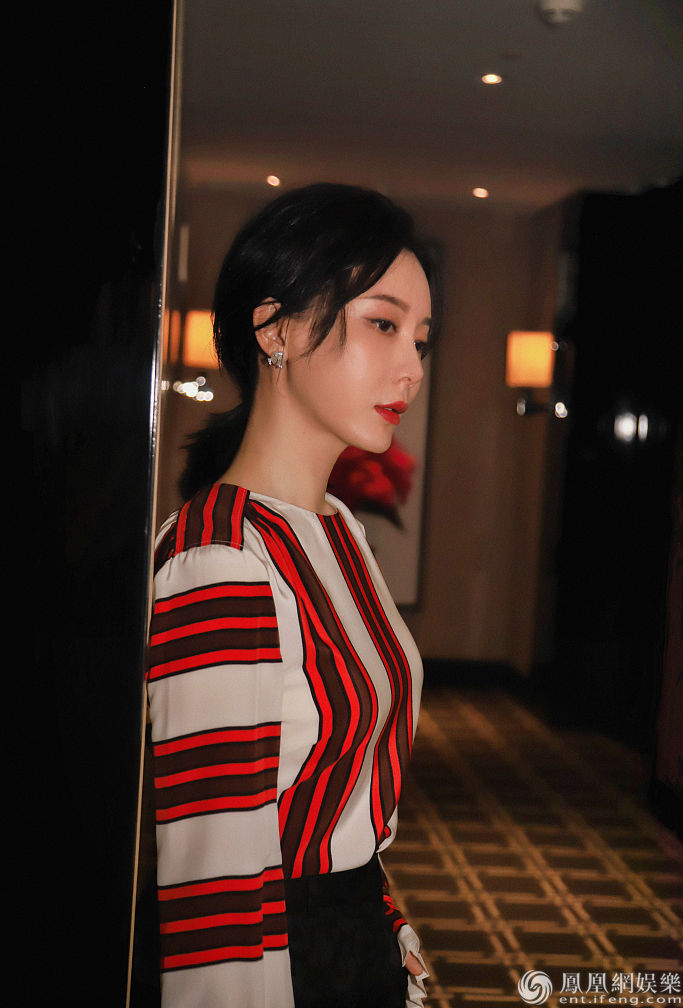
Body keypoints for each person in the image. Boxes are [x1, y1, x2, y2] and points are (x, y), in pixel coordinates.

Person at [146, 182, 440, 1008]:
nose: (412, 367)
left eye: (421, 338)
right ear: (273, 329)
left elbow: (342, 800)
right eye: (382, 325)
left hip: (353, 941)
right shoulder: (218, 559)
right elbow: (213, 885)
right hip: (277, 962)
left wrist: (385, 926)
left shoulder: (338, 528)